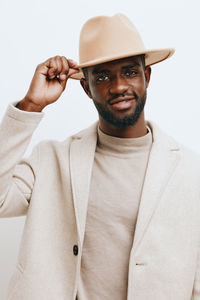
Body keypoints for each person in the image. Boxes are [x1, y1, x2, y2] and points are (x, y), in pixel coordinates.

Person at [0, 13, 200, 300]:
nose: (118, 86)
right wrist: (31, 105)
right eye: (103, 76)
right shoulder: (51, 160)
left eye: (130, 71)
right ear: (86, 87)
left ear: (146, 76)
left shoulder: (191, 171)